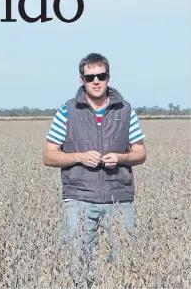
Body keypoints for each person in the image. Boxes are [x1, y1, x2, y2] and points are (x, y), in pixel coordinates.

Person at [42, 53, 146, 264]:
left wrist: (120, 157)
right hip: (78, 199)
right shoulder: (67, 111)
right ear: (82, 80)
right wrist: (79, 157)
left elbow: (140, 153)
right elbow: (48, 155)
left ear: (108, 77)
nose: (96, 81)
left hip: (119, 198)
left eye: (101, 76)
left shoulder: (126, 111)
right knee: (75, 264)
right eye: (90, 77)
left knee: (124, 264)